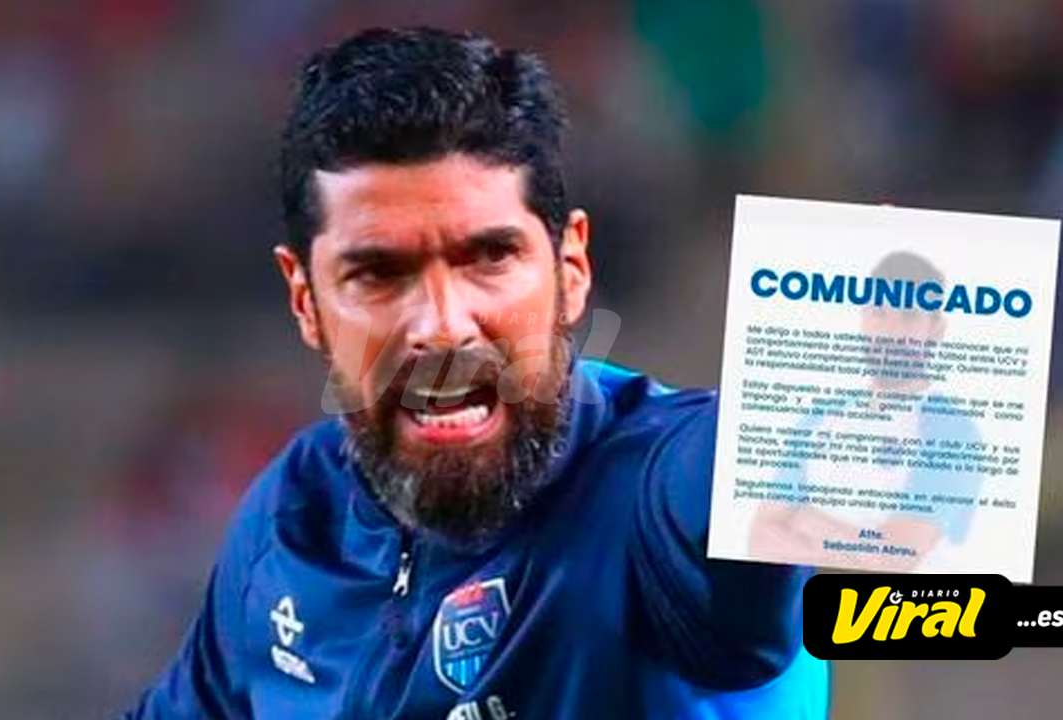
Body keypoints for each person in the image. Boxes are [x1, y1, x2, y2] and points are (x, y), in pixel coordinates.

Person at [120, 26, 828, 719]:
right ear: (306, 301)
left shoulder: (648, 498)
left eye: (489, 258)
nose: (443, 323)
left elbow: (730, 485)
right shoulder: (295, 516)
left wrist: (837, 373)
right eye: (378, 274)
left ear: (572, 269)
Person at [750, 251, 985, 572]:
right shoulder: (821, 418)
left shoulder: (953, 432)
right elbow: (760, 539)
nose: (890, 332)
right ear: (863, 319)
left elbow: (895, 559)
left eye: (908, 316)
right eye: (879, 313)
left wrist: (805, 519)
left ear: (936, 330)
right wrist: (863, 547)